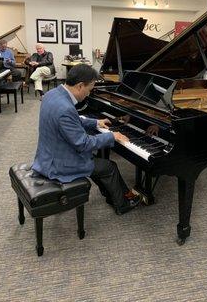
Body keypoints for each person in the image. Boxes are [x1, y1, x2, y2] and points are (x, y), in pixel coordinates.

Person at [31, 63, 141, 215]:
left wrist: (96, 122)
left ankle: (112, 196)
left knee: (99, 164)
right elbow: (83, 143)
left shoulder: (52, 94)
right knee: (109, 167)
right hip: (58, 164)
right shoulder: (66, 108)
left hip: (49, 153)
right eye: (89, 90)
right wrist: (112, 136)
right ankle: (122, 204)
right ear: (80, 86)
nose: (89, 94)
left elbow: (72, 120)